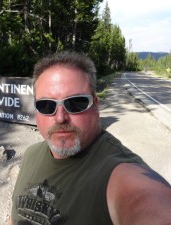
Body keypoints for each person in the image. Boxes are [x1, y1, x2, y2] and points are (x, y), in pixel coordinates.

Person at [9, 51, 171, 225]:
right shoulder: (30, 155)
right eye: (46, 105)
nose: (60, 117)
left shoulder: (120, 174)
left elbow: (147, 203)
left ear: (96, 105)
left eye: (76, 103)